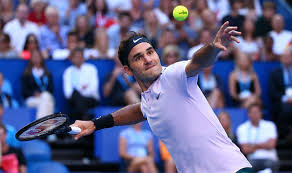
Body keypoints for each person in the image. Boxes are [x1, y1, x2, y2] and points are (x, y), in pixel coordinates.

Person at [71, 21, 254, 173]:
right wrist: (96, 124)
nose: (148, 59)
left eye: (150, 52)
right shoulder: (148, 100)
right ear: (127, 70)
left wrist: (212, 48)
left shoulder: (173, 75)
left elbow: (198, 62)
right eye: (139, 57)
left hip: (232, 169)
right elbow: (139, 109)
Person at [236, 103, 279, 172]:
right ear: (248, 114)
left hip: (270, 159)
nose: (255, 115)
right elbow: (245, 149)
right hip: (252, 160)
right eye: (253, 112)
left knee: (270, 165)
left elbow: (271, 145)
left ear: (261, 113)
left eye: (257, 112)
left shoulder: (270, 125)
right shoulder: (242, 128)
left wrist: (253, 145)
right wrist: (264, 144)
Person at [63, 47, 99, 120]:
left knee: (78, 100)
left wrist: (78, 90)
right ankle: (86, 119)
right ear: (72, 59)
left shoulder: (91, 69)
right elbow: (68, 93)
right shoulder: (68, 72)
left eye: (80, 56)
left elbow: (93, 89)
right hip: (74, 100)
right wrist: (82, 88)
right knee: (76, 96)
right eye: (76, 57)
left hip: (90, 99)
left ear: (83, 58)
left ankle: (80, 122)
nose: (78, 59)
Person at [21, 49, 54, 119]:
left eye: (38, 56)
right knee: (47, 101)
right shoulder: (26, 74)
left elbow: (51, 89)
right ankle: (48, 126)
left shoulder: (47, 73)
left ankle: (40, 125)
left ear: (41, 58)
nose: (36, 58)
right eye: (34, 56)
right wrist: (34, 94)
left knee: (45, 98)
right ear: (31, 59)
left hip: (45, 97)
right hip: (31, 99)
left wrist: (42, 94)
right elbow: (24, 91)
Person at [268, 49, 292, 139]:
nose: (286, 59)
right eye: (284, 57)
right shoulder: (274, 73)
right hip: (281, 101)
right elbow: (272, 92)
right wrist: (285, 99)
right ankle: (284, 135)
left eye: (288, 57)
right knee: (286, 108)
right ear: (281, 59)